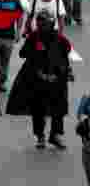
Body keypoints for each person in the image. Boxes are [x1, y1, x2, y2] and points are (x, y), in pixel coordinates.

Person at [7, 10, 73, 149]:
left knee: (58, 108)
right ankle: (40, 136)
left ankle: (56, 135)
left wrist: (65, 72)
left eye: (46, 23)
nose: (43, 26)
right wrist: (35, 52)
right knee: (38, 108)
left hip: (56, 78)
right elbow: (22, 53)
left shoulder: (60, 39)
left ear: (51, 24)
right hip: (36, 78)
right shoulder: (33, 37)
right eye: (41, 23)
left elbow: (65, 55)